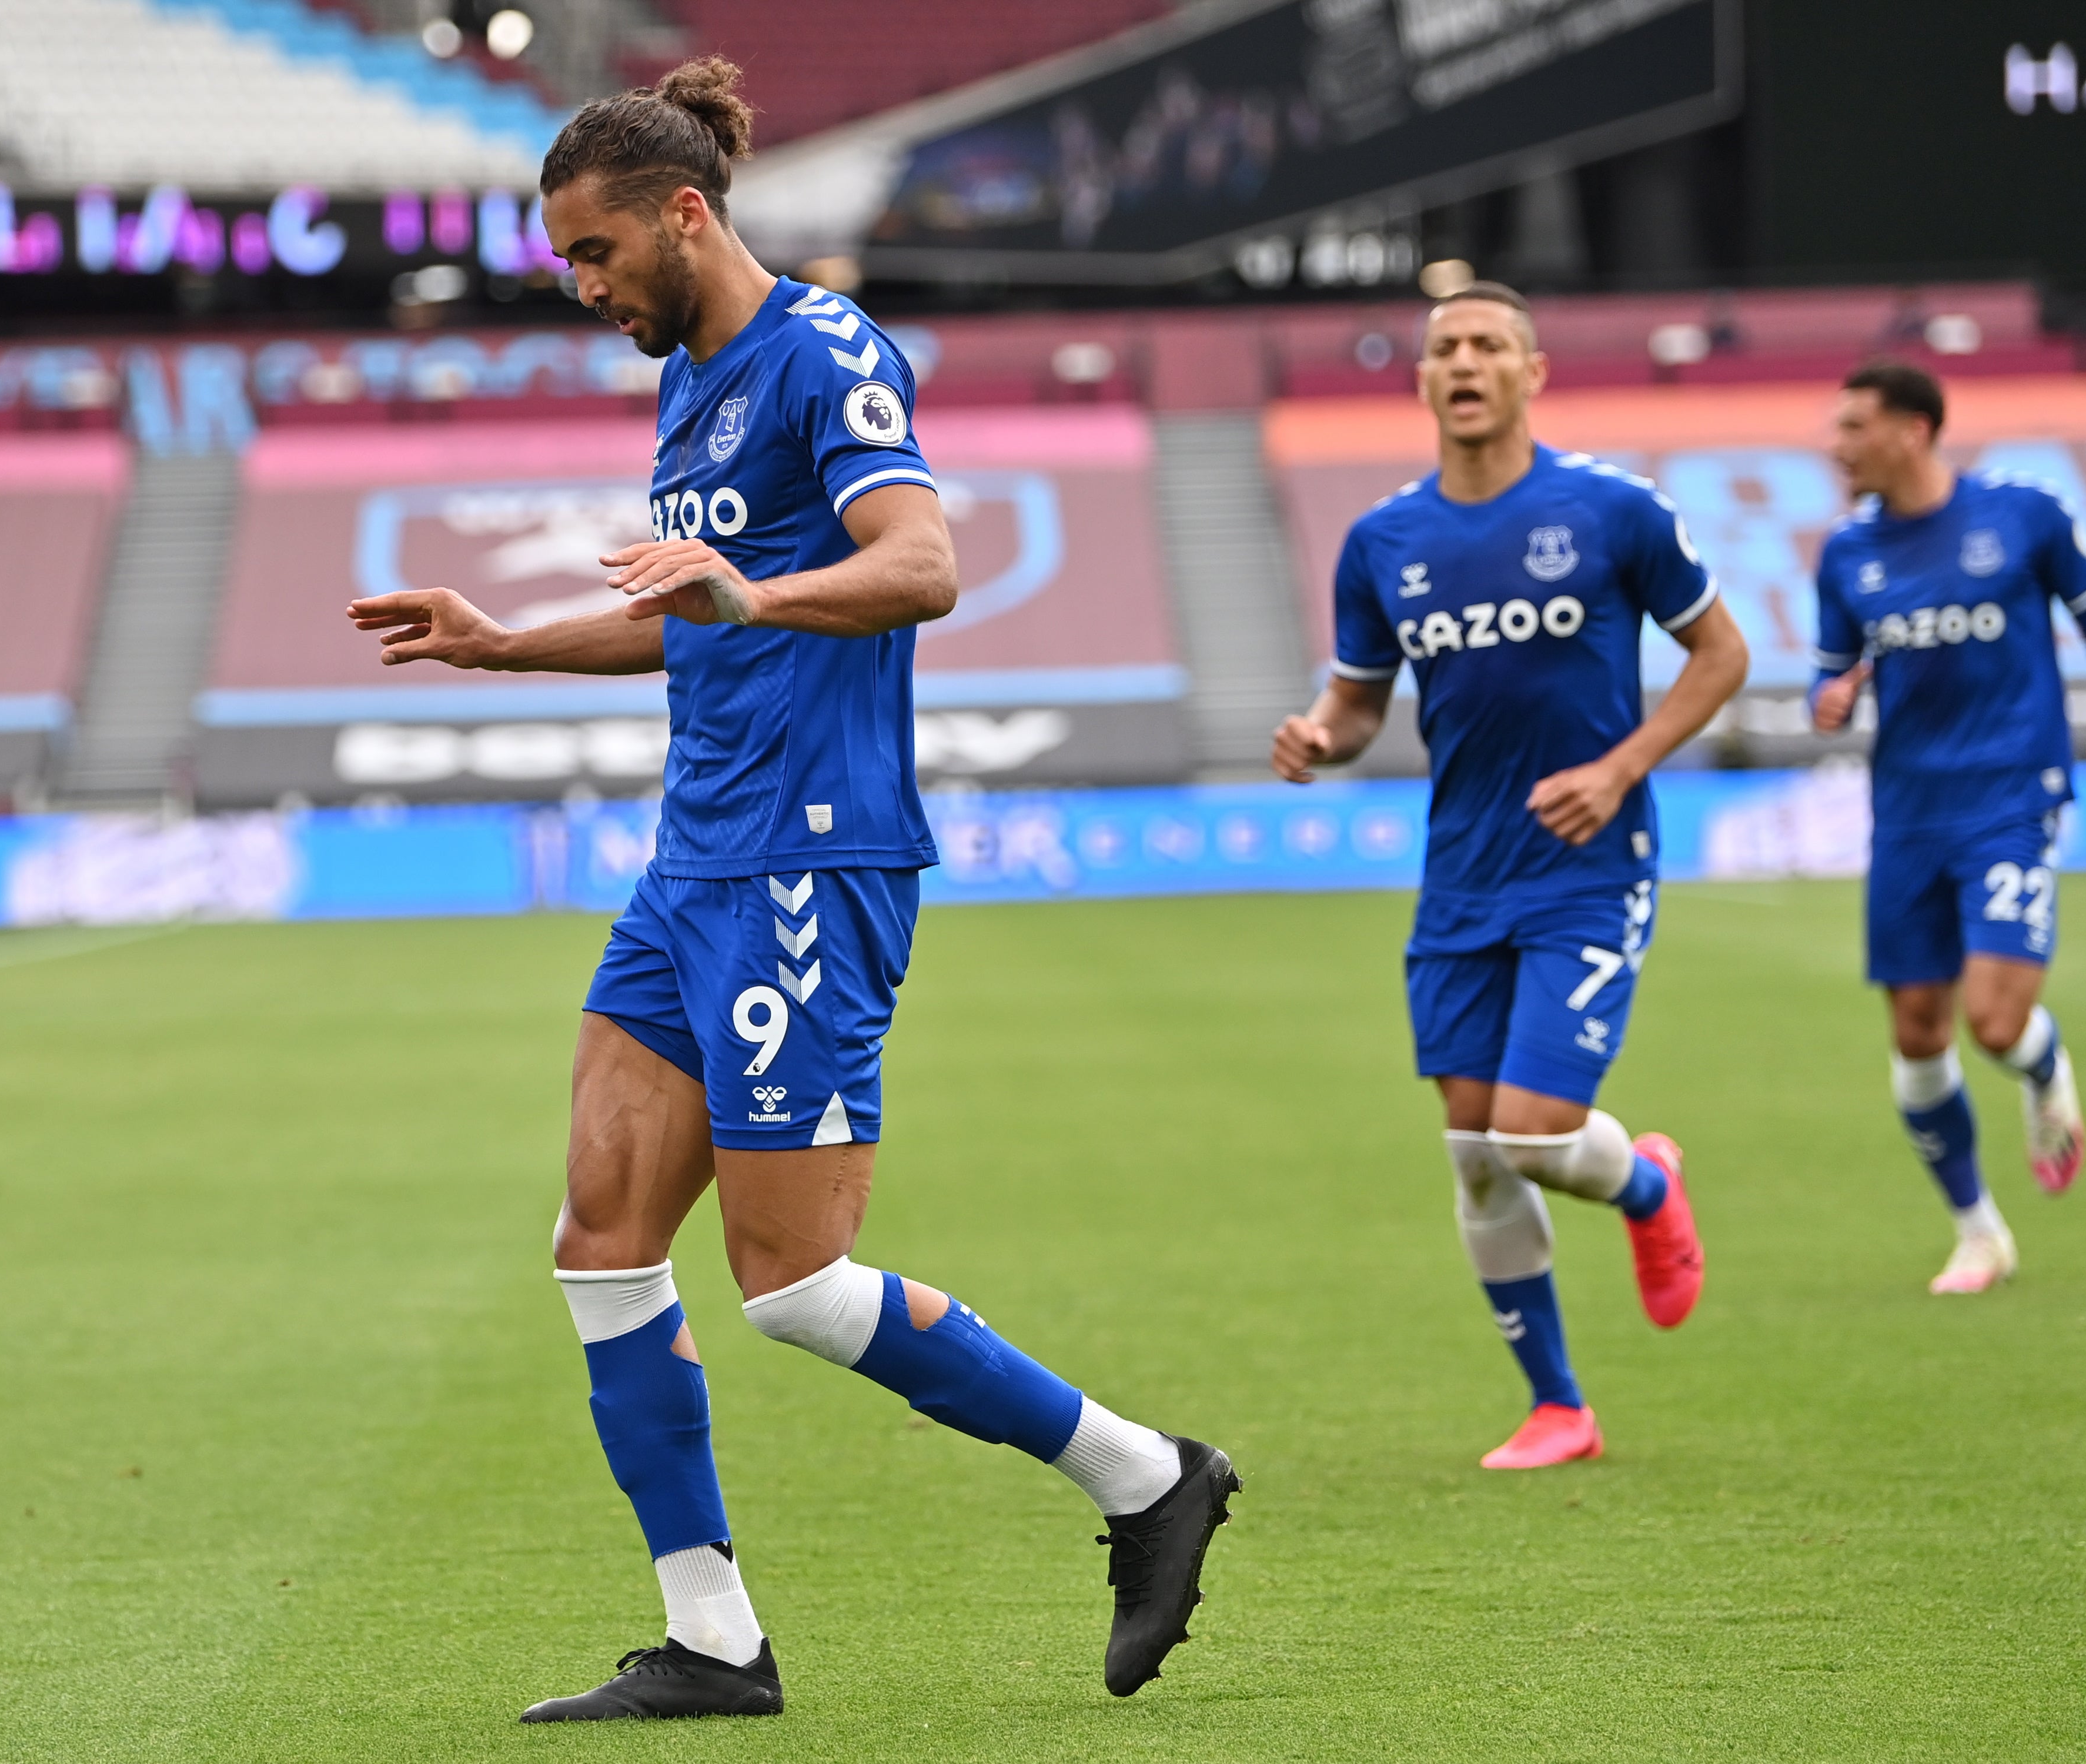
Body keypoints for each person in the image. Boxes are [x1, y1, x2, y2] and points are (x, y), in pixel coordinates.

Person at [345, 59, 1236, 1722]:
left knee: (799, 1290)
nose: (584, 287)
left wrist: (748, 597)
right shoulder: (685, 380)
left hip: (809, 860)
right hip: (694, 862)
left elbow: (922, 567)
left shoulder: (822, 349)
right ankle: (713, 1642)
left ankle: (1142, 1477)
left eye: (598, 254)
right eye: (567, 265)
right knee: (601, 1246)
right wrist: (505, 641)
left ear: (686, 214)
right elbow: (695, 610)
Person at [1271, 282, 1747, 1470]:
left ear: (1532, 372)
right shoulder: (1384, 541)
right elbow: (1359, 696)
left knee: (1532, 1136)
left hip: (1588, 864)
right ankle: (1558, 1407)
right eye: (1446, 349)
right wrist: (1318, 737)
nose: (1466, 362)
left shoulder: (1611, 512)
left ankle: (1642, 1184)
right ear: (1423, 380)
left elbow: (1719, 653)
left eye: (1489, 345)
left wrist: (1621, 765)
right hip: (1459, 877)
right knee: (1472, 1152)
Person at [1809, 360, 2086, 1295]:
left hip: (2010, 794)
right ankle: (1977, 1231)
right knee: (1918, 1033)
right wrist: (1830, 697)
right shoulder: (1845, 555)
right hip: (1907, 813)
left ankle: (2043, 1068)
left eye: (1852, 428)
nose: (1835, 447)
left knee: (1994, 1022)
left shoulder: (2022, 515)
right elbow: (1830, 670)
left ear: (1912, 430)